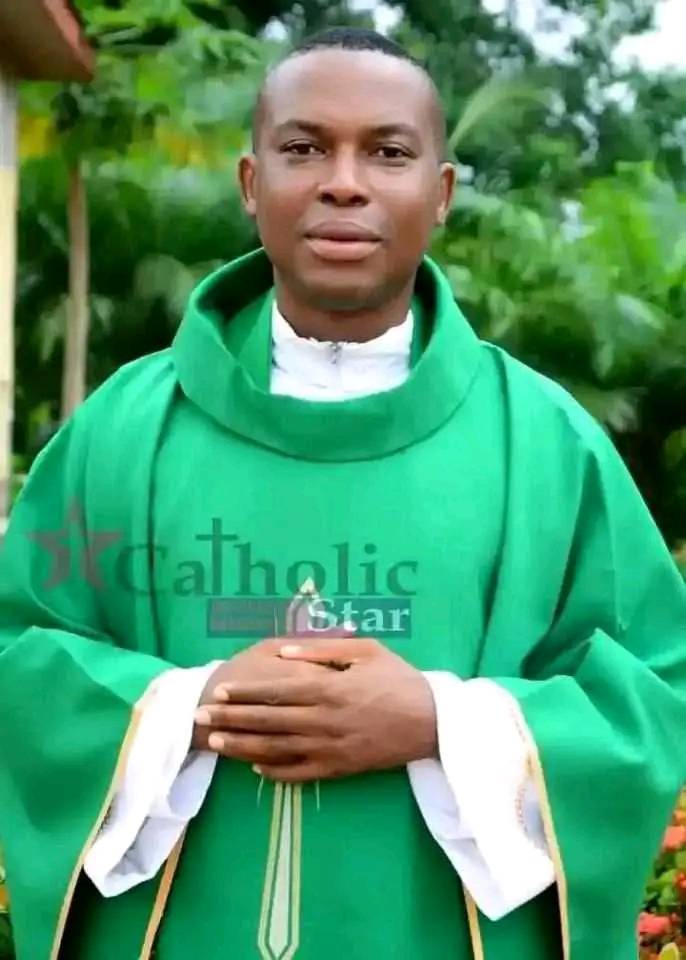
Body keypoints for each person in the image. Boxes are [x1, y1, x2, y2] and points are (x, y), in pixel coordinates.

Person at [0, 26, 684, 960]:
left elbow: (654, 688)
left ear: (441, 193)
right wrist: (188, 708)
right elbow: (19, 656)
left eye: (389, 153)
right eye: (305, 148)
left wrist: (439, 723)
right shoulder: (124, 430)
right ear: (252, 183)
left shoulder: (545, 445)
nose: (344, 183)